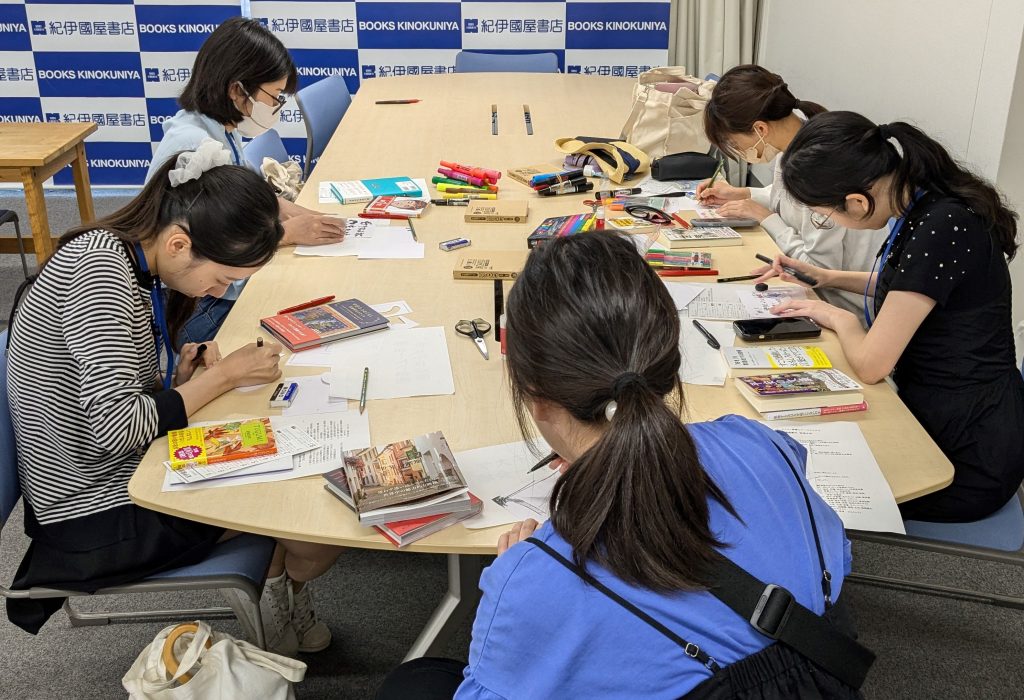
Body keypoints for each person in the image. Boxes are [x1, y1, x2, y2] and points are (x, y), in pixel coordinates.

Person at [377, 232, 860, 699]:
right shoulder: (758, 442)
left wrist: (515, 580)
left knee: (414, 683)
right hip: (815, 671)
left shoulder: (533, 582)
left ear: (534, 396)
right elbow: (834, 554)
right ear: (667, 362)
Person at [5, 141, 340, 657]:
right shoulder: (98, 272)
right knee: (310, 520)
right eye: (222, 278)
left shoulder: (125, 258)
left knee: (296, 474)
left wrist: (180, 379)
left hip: (128, 469)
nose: (216, 292)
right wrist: (220, 378)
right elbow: (116, 428)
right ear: (180, 243)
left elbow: (110, 394)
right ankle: (276, 602)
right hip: (93, 508)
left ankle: (278, 590)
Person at [761, 111, 1024, 523]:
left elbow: (871, 365)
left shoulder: (943, 226)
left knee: (796, 492)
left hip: (965, 452)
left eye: (824, 215)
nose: (828, 222)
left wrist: (836, 316)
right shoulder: (922, 203)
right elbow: (910, 288)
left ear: (856, 201)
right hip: (935, 413)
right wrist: (826, 277)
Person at [149, 17, 345, 344]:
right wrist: (286, 233)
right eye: (275, 96)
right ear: (237, 90)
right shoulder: (193, 146)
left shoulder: (220, 128)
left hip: (214, 285)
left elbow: (250, 199)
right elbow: (209, 245)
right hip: (199, 303)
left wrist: (301, 214)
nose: (277, 106)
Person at [697, 65, 887, 318]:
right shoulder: (795, 138)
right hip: (823, 291)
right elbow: (785, 200)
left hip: (844, 304)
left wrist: (765, 217)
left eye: (733, 142)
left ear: (760, 129)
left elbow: (816, 269)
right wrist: (742, 194)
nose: (737, 150)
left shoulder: (819, 167)